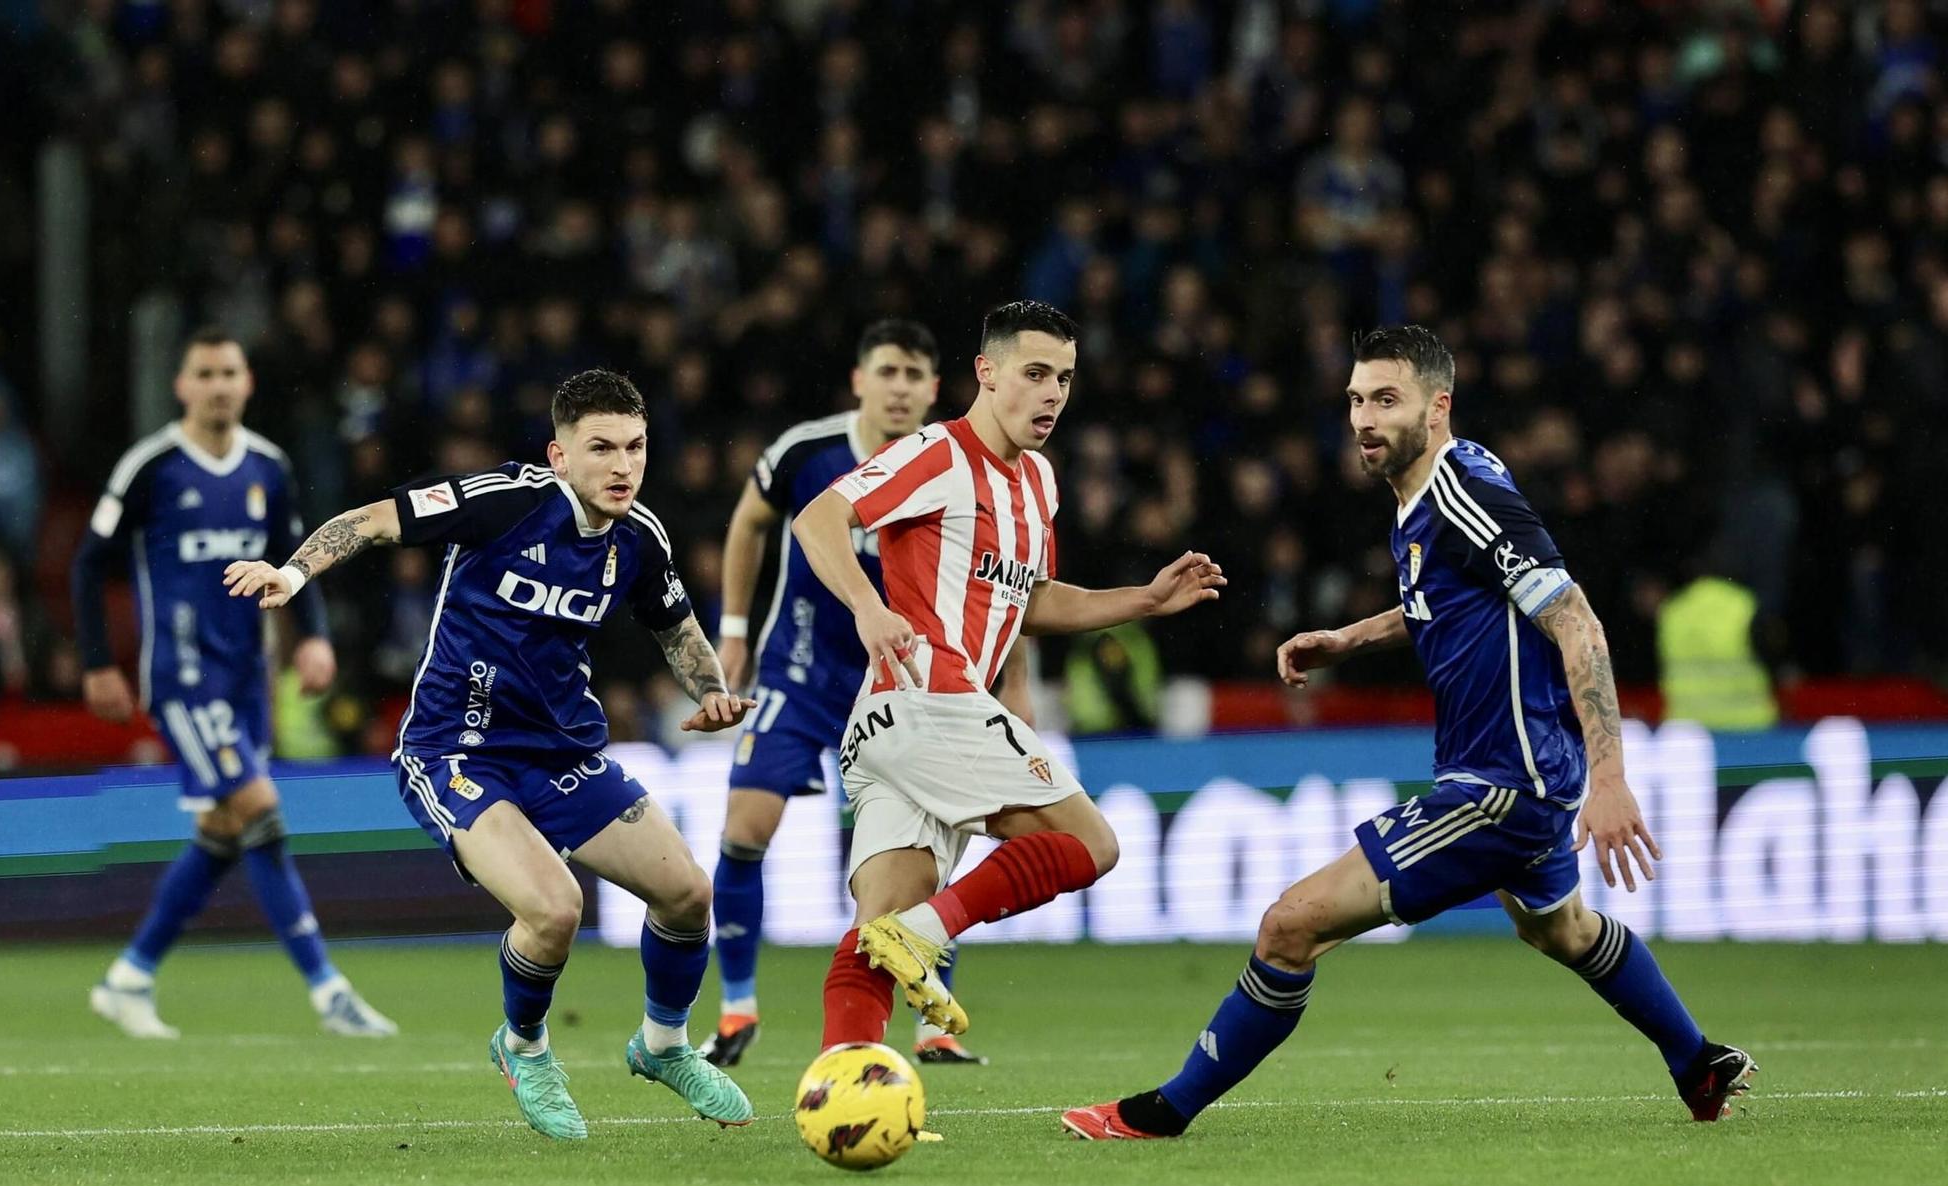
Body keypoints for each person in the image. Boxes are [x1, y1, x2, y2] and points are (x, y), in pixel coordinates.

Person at [1063, 325, 1756, 1140]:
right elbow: (1453, 597)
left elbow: (1579, 623)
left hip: (1503, 783)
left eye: (1385, 399)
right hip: (1524, 770)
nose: (1363, 417)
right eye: (1356, 399)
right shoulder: (1424, 496)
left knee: (1290, 925)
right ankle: (1698, 1061)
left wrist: (1611, 779)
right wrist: (1349, 639)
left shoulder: (1465, 494)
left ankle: (1164, 1111)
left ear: (1438, 406)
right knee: (1558, 926)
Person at [224, 369, 756, 1142]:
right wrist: (293, 570)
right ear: (560, 454)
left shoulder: (639, 537)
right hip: (456, 750)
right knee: (554, 909)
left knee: (687, 893)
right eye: (600, 447)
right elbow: (372, 520)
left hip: (564, 753)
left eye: (635, 447)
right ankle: (524, 1045)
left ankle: (664, 1045)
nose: (621, 465)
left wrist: (709, 689)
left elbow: (674, 625)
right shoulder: (505, 501)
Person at [791, 299, 1225, 1049]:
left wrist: (1145, 599)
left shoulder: (1039, 484)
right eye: (1034, 373)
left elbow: (1036, 599)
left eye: (1064, 376)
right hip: (932, 697)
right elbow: (820, 518)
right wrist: (865, 605)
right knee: (1093, 845)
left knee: (877, 928)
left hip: (894, 726)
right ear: (986, 374)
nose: (1052, 392)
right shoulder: (937, 451)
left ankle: (840, 1088)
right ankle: (930, 933)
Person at [701, 319, 1021, 1068]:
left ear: (937, 388)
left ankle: (933, 1023)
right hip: (802, 671)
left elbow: (1005, 584)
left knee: (920, 852)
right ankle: (738, 1008)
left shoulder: (954, 463)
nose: (901, 387)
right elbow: (749, 521)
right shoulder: (805, 451)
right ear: (859, 380)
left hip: (906, 684)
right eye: (888, 372)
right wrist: (737, 627)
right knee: (745, 826)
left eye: (915, 375)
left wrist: (1013, 682)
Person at [72, 329, 397, 1040]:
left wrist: (310, 635)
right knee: (261, 808)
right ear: (182, 386)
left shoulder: (269, 467)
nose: (218, 384)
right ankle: (328, 988)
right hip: (183, 676)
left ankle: (128, 977)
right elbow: (90, 562)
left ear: (247, 382)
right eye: (204, 373)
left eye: (230, 372)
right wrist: (98, 661)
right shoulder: (151, 465)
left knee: (224, 829)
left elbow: (295, 559)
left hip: (249, 676)